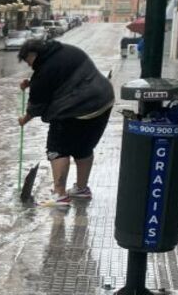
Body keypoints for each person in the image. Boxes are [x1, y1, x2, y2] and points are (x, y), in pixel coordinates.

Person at [17, 38, 114, 207]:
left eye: (27, 61)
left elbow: (36, 106)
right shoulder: (67, 50)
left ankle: (60, 195)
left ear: (33, 54)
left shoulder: (44, 71)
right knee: (83, 147)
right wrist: (31, 83)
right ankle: (82, 189)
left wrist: (24, 119)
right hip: (104, 101)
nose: (29, 66)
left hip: (77, 107)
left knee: (57, 148)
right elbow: (61, 76)